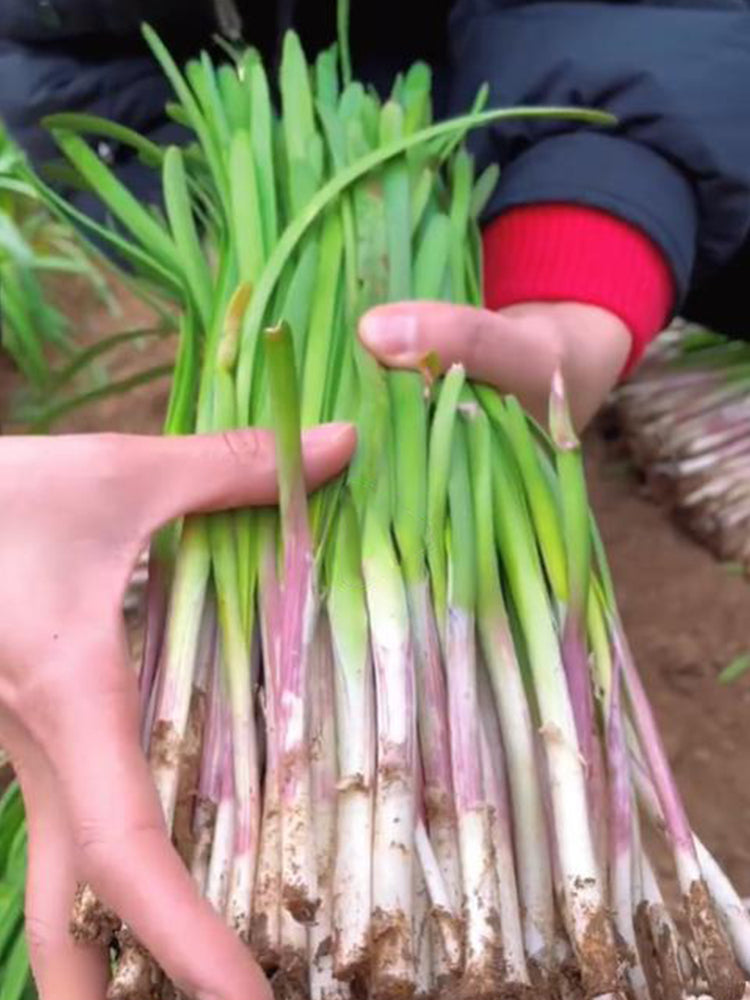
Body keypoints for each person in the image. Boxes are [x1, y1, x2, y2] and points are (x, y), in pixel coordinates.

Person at [1, 1, 749, 997]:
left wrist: (590, 247)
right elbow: (50, 52)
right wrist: (255, 277)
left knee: (478, 392)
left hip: (548, 104)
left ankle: (575, 303)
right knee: (330, 373)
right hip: (254, 180)